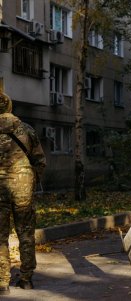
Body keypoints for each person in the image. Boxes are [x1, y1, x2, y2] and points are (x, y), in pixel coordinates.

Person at [0, 92, 46, 295]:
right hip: (23, 188)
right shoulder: (26, 129)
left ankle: (2, 282)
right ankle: (26, 278)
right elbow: (40, 160)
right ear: (9, 106)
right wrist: (33, 180)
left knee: (0, 236)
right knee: (25, 232)